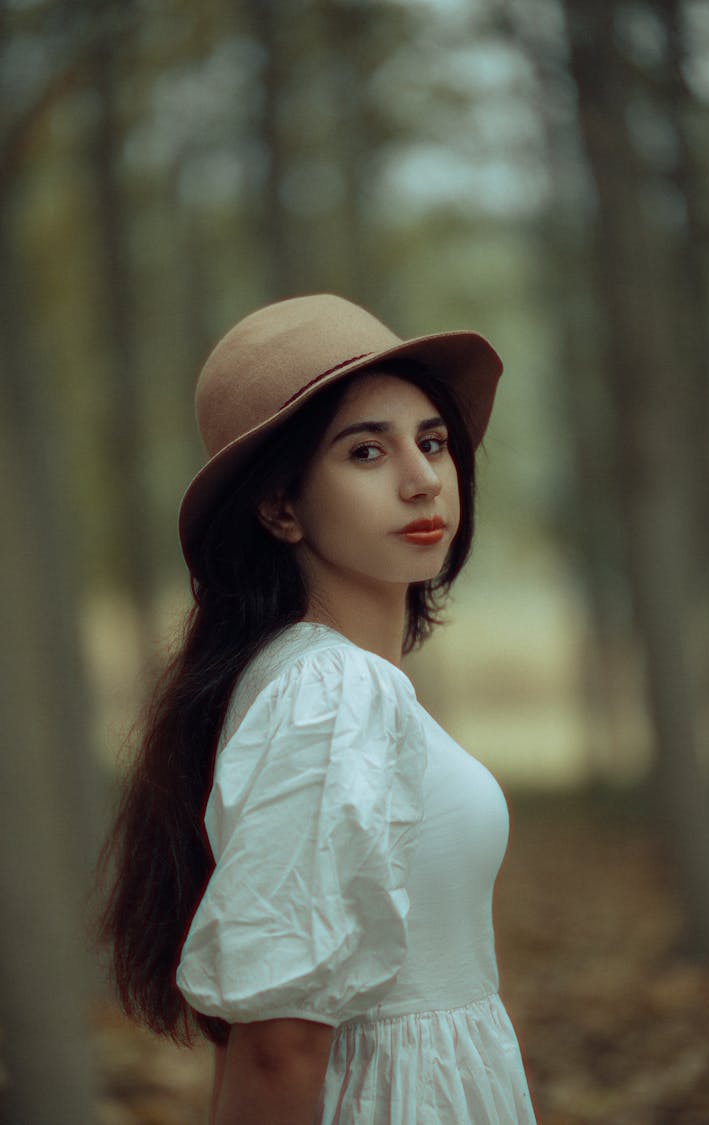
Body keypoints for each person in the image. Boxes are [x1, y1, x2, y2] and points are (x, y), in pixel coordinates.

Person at [98, 294, 537, 1124]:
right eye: (366, 451)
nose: (422, 478)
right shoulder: (331, 694)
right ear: (281, 507)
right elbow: (275, 1048)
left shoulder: (305, 682)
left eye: (432, 441)